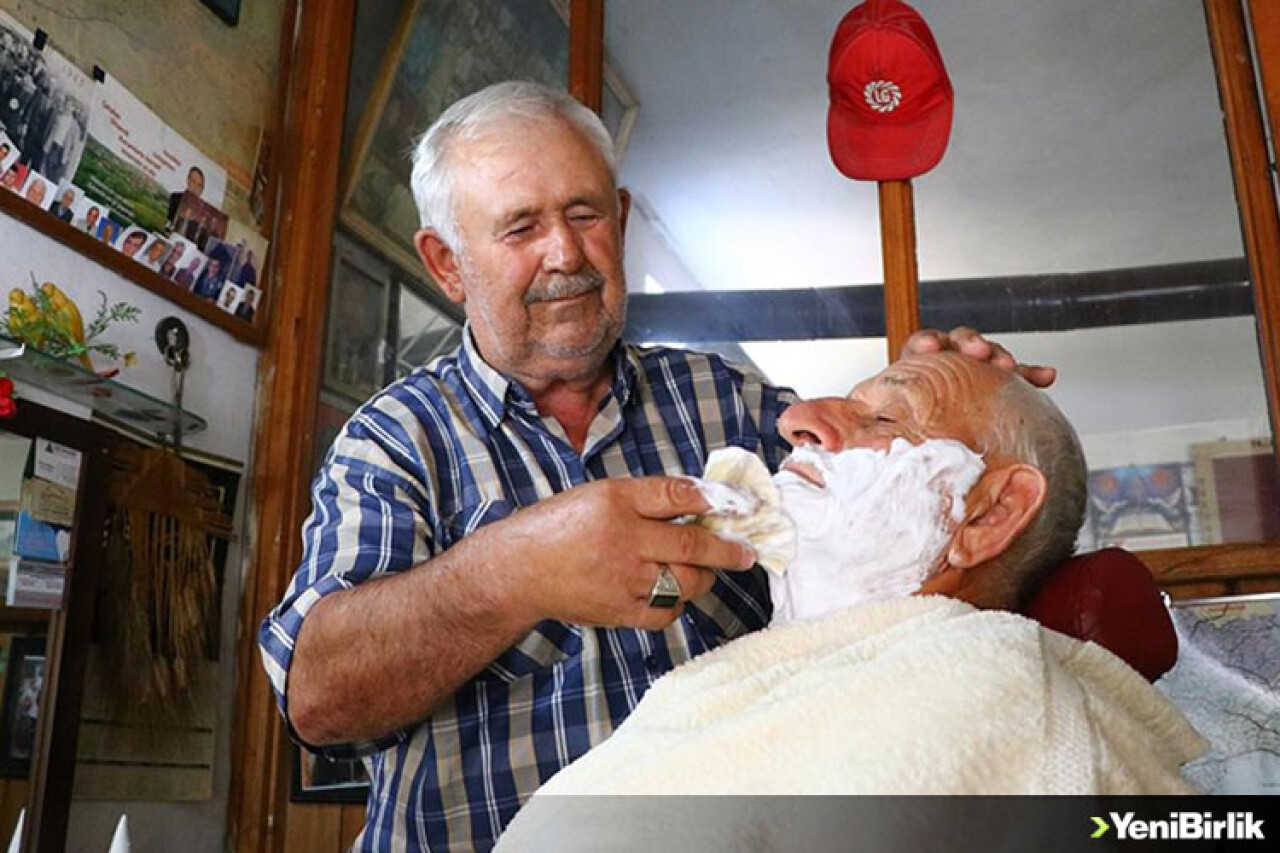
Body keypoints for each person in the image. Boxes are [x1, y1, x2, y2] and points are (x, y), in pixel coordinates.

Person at [258, 81, 1055, 852]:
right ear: (447, 264)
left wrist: (972, 409)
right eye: (520, 228)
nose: (565, 252)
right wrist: (513, 571)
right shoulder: (397, 438)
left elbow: (894, 521)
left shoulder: (727, 400)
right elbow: (319, 701)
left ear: (622, 218)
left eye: (584, 213)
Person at [496, 352, 1206, 848]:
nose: (798, 419)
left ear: (989, 514)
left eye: (889, 422)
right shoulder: (720, 689)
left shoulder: (993, 693)